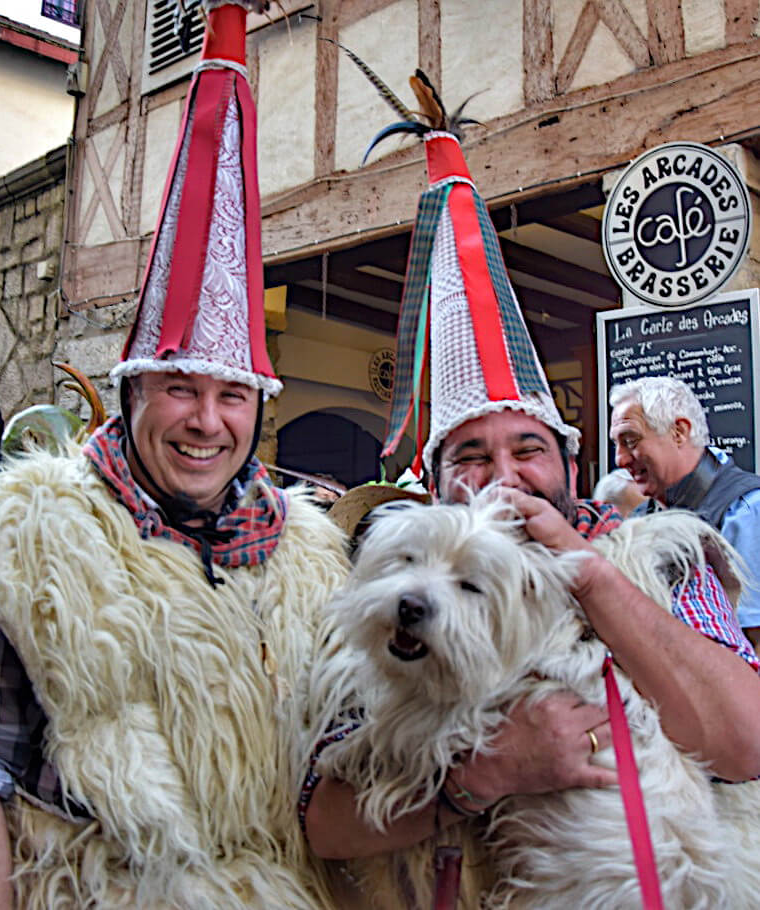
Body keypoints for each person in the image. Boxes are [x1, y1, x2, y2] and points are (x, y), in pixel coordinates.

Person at [0, 4, 349, 907]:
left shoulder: (312, 557)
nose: (206, 421)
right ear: (132, 393)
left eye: (232, 395)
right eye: (180, 388)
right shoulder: (22, 547)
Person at [301, 110, 760, 879]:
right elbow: (322, 820)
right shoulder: (383, 578)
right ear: (438, 482)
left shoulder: (662, 565)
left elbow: (745, 744)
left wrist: (590, 571)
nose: (504, 476)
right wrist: (483, 778)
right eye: (472, 456)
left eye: (528, 449)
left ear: (571, 471)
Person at [610, 376, 760, 648]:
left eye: (630, 440)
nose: (619, 459)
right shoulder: (642, 516)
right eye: (616, 444)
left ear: (679, 432)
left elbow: (754, 641)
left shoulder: (748, 510)